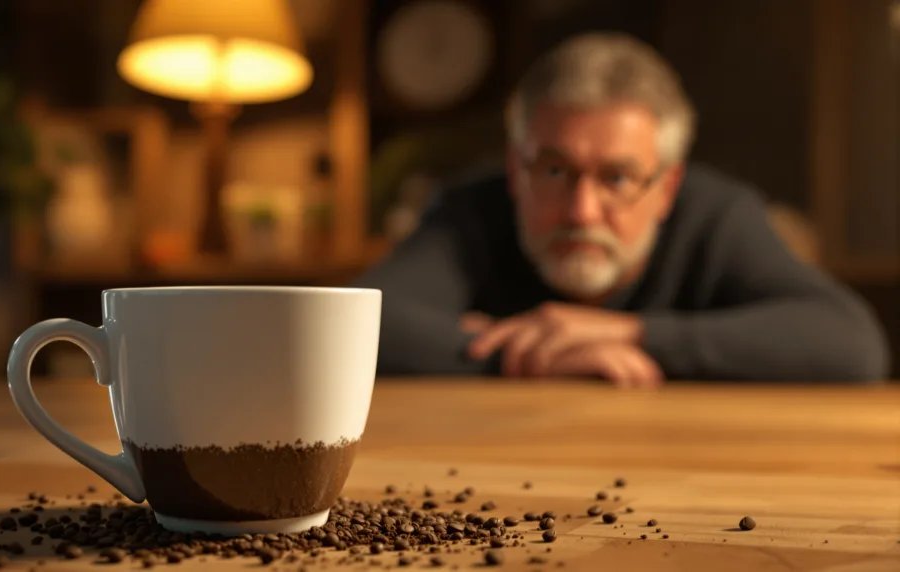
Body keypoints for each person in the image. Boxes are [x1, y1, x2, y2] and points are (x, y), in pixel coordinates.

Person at [352, 32, 890, 385]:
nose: (582, 211)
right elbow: (346, 331)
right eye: (555, 171)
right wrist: (523, 358)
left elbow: (851, 344)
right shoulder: (470, 211)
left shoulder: (716, 216)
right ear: (517, 170)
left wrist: (631, 334)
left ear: (666, 188)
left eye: (618, 177)